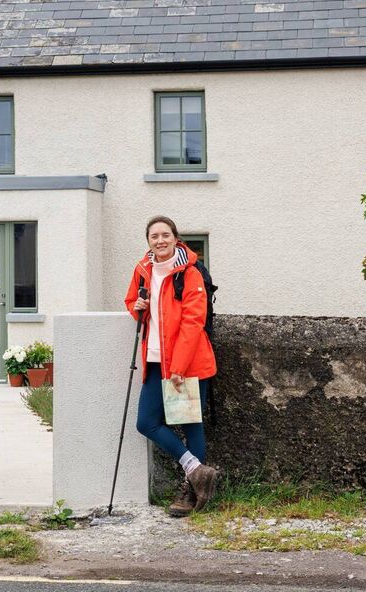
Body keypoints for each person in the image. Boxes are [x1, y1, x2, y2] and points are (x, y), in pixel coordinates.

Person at [124, 215, 219, 517]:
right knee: (146, 422)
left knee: (191, 425)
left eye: (166, 235)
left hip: (187, 364)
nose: (160, 240)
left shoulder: (189, 273)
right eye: (154, 236)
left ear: (176, 239)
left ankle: (192, 494)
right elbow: (132, 302)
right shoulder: (143, 270)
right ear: (148, 241)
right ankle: (197, 472)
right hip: (155, 362)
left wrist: (178, 366)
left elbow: (193, 322)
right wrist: (136, 308)